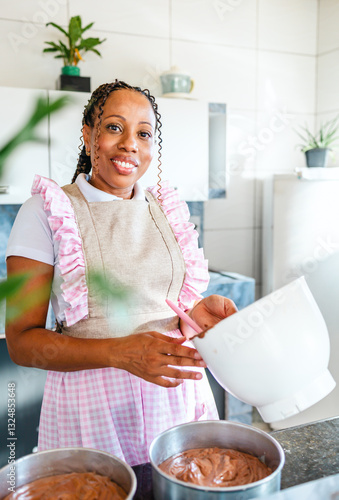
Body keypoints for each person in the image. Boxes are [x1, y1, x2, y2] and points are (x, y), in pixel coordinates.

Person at [5, 80, 237, 466]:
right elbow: (22, 343)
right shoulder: (47, 211)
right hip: (93, 411)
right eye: (114, 127)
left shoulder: (165, 209)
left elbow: (160, 299)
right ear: (88, 134)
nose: (131, 143)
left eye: (143, 134)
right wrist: (119, 353)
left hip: (176, 398)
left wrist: (195, 311)